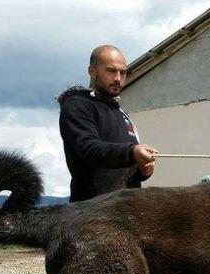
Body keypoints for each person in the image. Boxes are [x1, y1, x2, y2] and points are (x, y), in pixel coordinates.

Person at [57, 45, 158, 202]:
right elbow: (89, 150)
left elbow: (121, 167)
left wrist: (142, 171)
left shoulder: (120, 112)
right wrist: (132, 152)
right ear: (92, 71)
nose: (118, 78)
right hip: (91, 212)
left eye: (123, 72)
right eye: (111, 71)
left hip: (127, 210)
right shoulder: (77, 105)